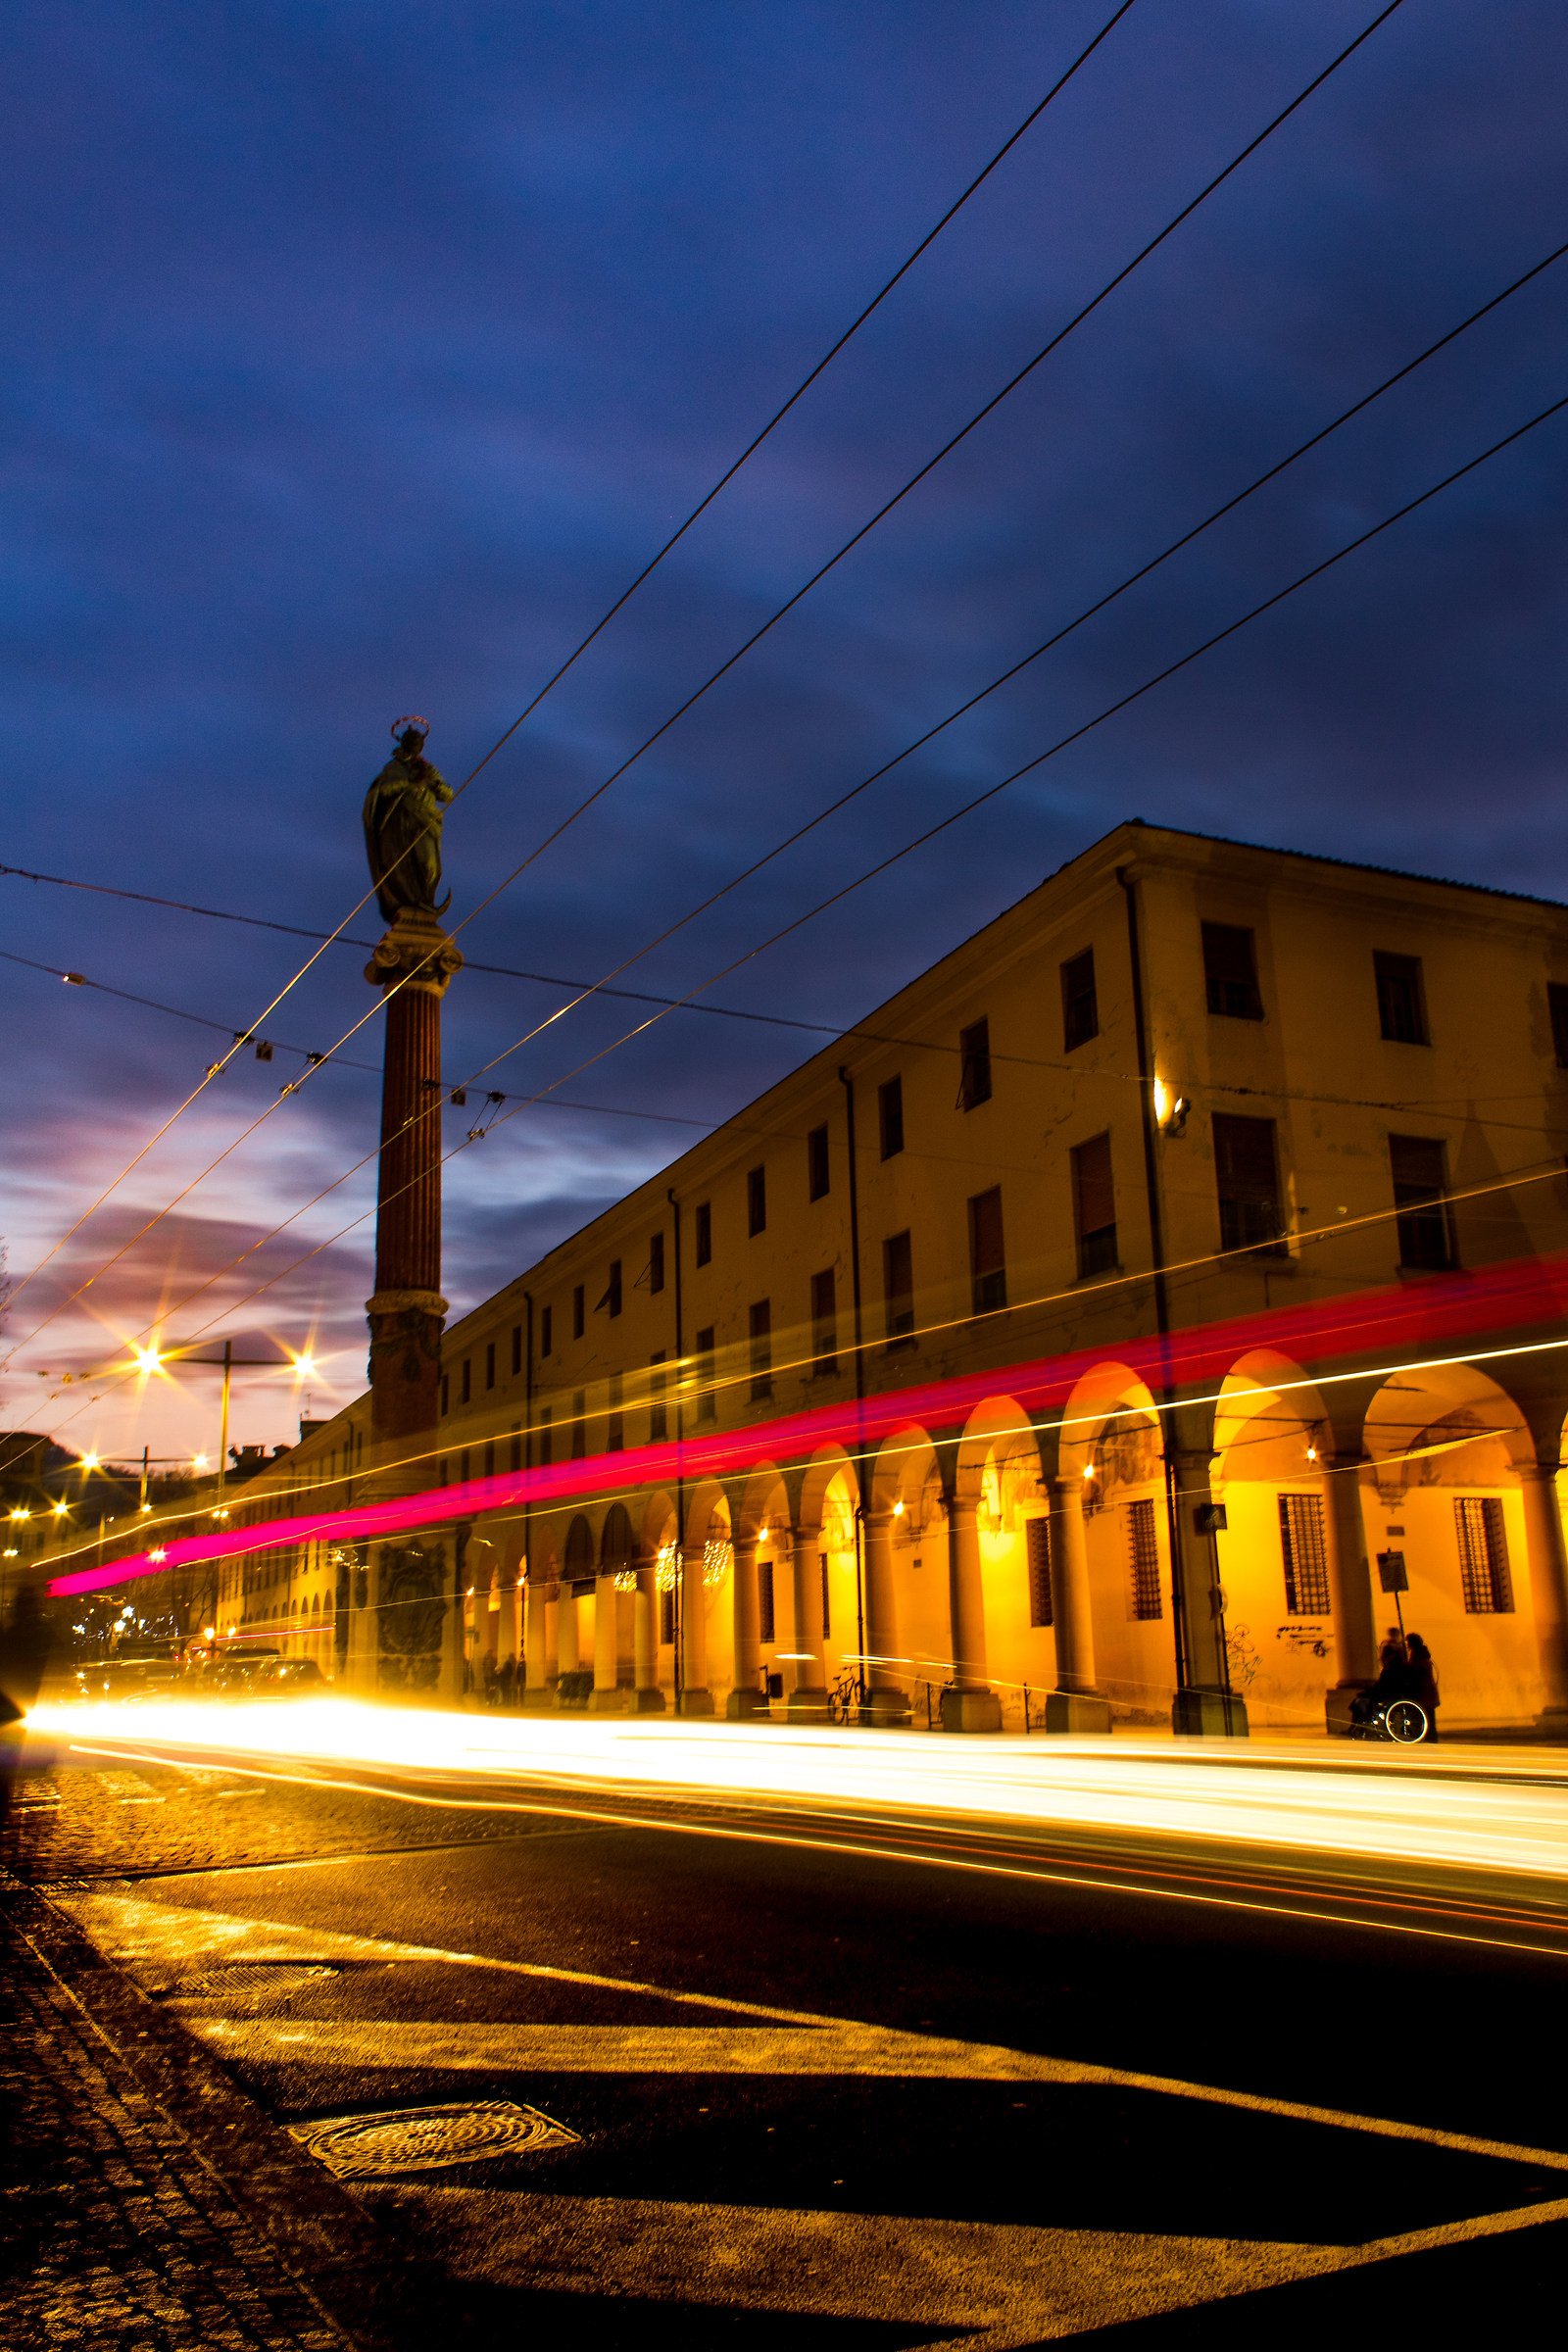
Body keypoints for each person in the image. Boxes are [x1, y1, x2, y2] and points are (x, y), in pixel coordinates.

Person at [1406, 1632, 1440, 1741]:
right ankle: (1430, 1736)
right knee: (1428, 1715)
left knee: (1425, 1714)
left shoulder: (1418, 1656)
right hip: (1426, 1691)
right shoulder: (1421, 1654)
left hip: (1423, 1691)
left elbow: (1415, 1671)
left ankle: (1428, 1736)